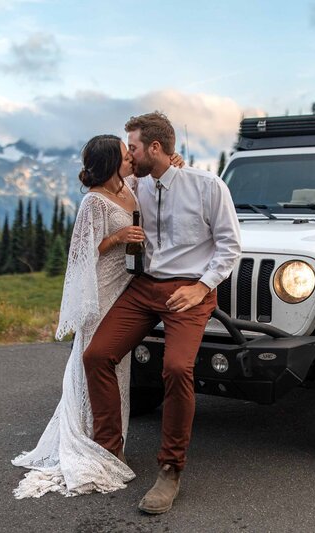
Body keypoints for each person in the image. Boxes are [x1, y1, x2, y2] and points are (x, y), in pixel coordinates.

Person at [82, 111, 241, 514]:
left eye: (132, 147)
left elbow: (229, 247)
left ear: (155, 147)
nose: (129, 156)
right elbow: (100, 187)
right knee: (97, 355)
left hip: (191, 291)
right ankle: (108, 449)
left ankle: (170, 468)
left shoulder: (208, 186)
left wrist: (201, 287)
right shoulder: (136, 184)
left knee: (176, 368)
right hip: (144, 288)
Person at [11, 134, 182, 498]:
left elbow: (155, 176)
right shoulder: (93, 202)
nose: (130, 159)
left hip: (127, 289)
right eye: (124, 156)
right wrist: (118, 237)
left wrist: (175, 162)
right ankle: (93, 440)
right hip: (102, 290)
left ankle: (111, 440)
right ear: (109, 163)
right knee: (97, 360)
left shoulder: (129, 185)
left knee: (120, 369)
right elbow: (82, 253)